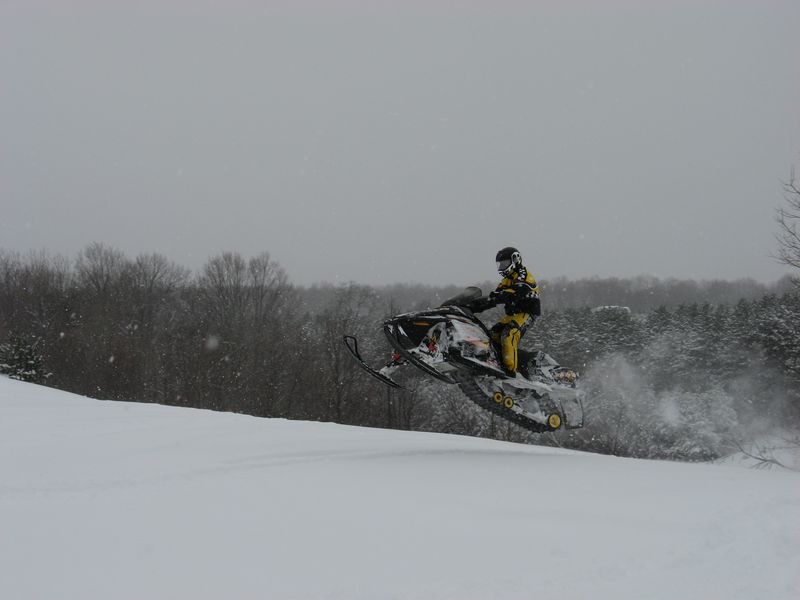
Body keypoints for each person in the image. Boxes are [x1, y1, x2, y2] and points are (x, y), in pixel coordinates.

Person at [481, 246, 541, 375]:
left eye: (504, 263)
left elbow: (516, 292)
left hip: (527, 313)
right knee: (492, 335)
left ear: (515, 260)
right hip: (513, 314)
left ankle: (510, 370)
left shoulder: (523, 274)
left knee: (510, 334)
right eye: (500, 264)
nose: (502, 267)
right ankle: (494, 362)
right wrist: (481, 303)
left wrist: (499, 296)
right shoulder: (507, 279)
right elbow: (496, 294)